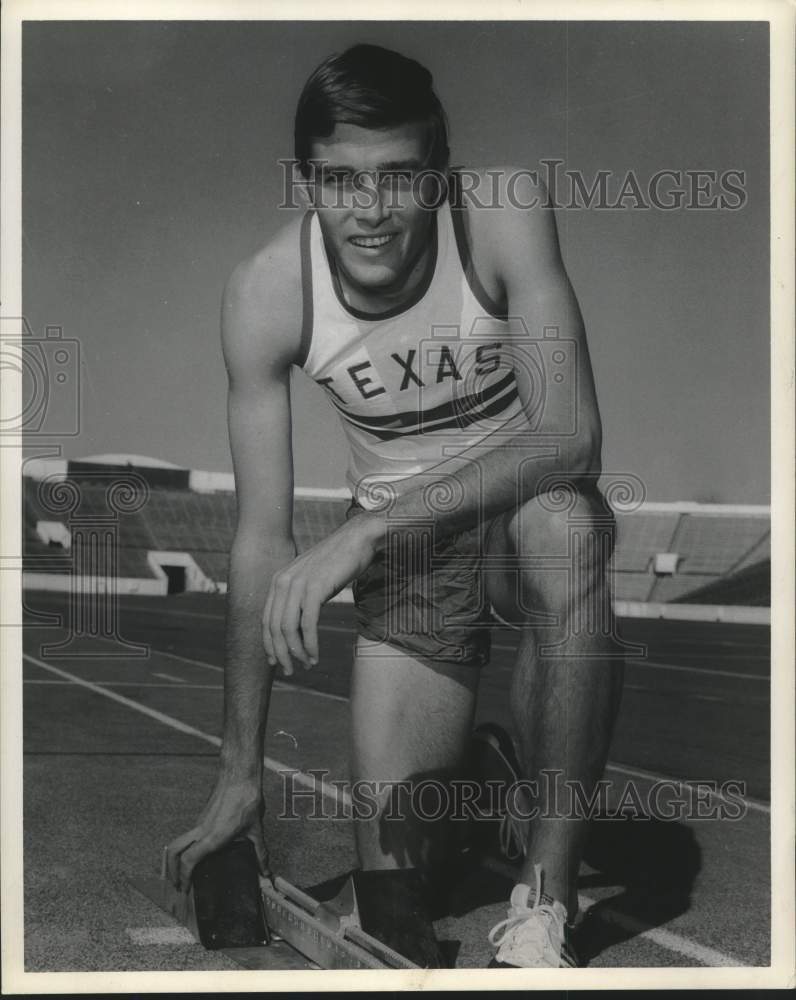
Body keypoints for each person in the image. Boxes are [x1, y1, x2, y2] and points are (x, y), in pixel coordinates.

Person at [165, 43, 624, 969]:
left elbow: (568, 435)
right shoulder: (265, 294)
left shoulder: (498, 213)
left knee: (567, 528)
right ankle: (488, 782)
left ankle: (546, 892)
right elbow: (260, 542)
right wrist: (240, 773)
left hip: (506, 516)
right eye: (339, 182)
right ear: (304, 180)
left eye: (399, 179)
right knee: (396, 899)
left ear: (439, 173)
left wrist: (371, 525)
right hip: (415, 567)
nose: (369, 212)